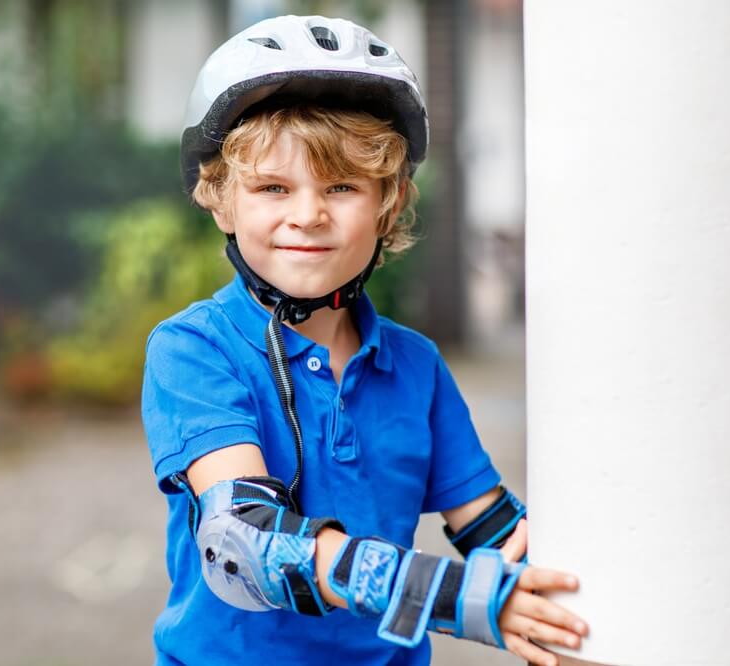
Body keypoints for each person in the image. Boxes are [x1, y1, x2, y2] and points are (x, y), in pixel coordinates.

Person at [142, 15, 587, 666]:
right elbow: (245, 544)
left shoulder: (416, 366)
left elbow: (496, 530)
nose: (308, 214)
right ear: (220, 198)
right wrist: (459, 598)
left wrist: (573, 607)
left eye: (342, 186)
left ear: (390, 200)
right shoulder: (194, 350)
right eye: (273, 187)